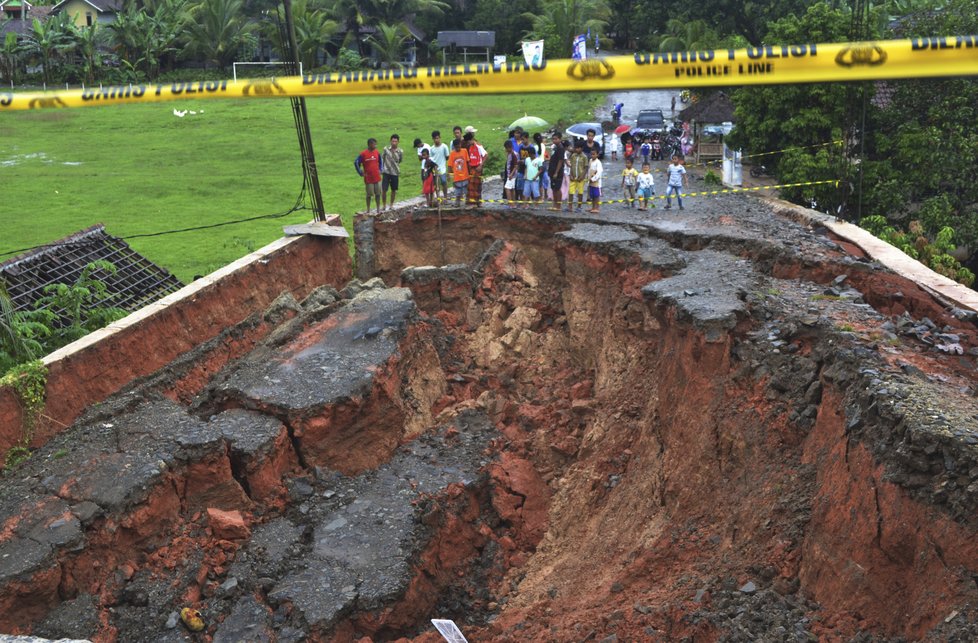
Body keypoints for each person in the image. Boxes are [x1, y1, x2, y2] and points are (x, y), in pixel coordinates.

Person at [354, 137, 382, 214]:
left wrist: (380, 169)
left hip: (377, 177)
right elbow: (356, 162)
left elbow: (381, 161)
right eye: (374, 144)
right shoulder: (363, 154)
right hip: (368, 178)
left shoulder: (377, 152)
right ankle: (368, 209)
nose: (375, 146)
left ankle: (378, 209)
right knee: (369, 194)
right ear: (369, 144)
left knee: (378, 193)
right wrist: (360, 172)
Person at [464, 127, 486, 207]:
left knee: (476, 185)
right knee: (471, 185)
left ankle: (476, 202)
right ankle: (472, 202)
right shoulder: (468, 146)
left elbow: (485, 155)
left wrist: (481, 165)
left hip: (477, 168)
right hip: (471, 168)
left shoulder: (478, 145)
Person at [381, 134, 403, 210]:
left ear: (398, 142)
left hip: (395, 172)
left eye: (396, 141)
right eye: (393, 141)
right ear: (390, 141)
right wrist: (382, 168)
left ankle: (391, 205)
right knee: (384, 189)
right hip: (386, 172)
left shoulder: (400, 151)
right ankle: (384, 205)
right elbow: (382, 158)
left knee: (394, 189)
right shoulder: (386, 149)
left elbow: (400, 160)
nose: (394, 143)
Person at [429, 130, 451, 201]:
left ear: (440, 138)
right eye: (435, 138)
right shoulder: (432, 149)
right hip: (434, 169)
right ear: (433, 139)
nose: (437, 140)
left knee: (444, 181)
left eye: (438, 138)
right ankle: (438, 197)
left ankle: (445, 196)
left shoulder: (444, 146)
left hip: (442, 168)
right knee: (436, 184)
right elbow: (431, 158)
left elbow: (447, 157)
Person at [567, 142, 588, 211]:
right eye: (575, 148)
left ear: (581, 148)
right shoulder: (573, 156)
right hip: (573, 177)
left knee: (580, 192)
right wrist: (571, 175)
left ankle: (579, 207)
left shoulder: (584, 157)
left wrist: (582, 176)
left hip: (580, 178)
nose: (576, 149)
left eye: (578, 148)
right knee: (570, 192)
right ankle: (570, 206)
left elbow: (586, 167)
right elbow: (571, 166)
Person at [448, 139, 469, 207]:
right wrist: (450, 175)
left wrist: (469, 172)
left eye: (459, 146)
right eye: (456, 147)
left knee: (466, 190)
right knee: (458, 192)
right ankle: (457, 203)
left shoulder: (464, 151)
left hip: (465, 175)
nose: (458, 148)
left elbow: (468, 162)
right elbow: (449, 165)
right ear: (454, 146)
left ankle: (468, 202)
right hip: (457, 176)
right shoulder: (452, 154)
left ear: (461, 144)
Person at [548, 132, 565, 211]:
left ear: (560, 139)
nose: (554, 140)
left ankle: (558, 206)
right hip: (552, 170)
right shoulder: (555, 147)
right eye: (553, 139)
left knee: (557, 188)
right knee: (553, 188)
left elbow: (560, 161)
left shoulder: (561, 148)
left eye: (556, 139)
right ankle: (554, 204)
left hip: (557, 172)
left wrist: (556, 172)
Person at [503, 139, 519, 205]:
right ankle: (513, 203)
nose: (505, 150)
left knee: (507, 188)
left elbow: (515, 166)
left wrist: (511, 174)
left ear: (509, 147)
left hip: (512, 175)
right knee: (512, 188)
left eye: (506, 148)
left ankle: (511, 203)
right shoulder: (510, 154)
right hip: (511, 174)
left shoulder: (513, 155)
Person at [587, 147, 603, 214]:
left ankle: (597, 208)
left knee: (596, 195)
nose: (592, 155)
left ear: (597, 155)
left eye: (594, 154)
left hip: (596, 182)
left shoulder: (598, 162)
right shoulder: (590, 160)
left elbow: (599, 172)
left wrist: (593, 179)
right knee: (592, 195)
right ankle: (593, 207)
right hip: (590, 181)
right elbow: (589, 170)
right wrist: (589, 178)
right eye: (591, 154)